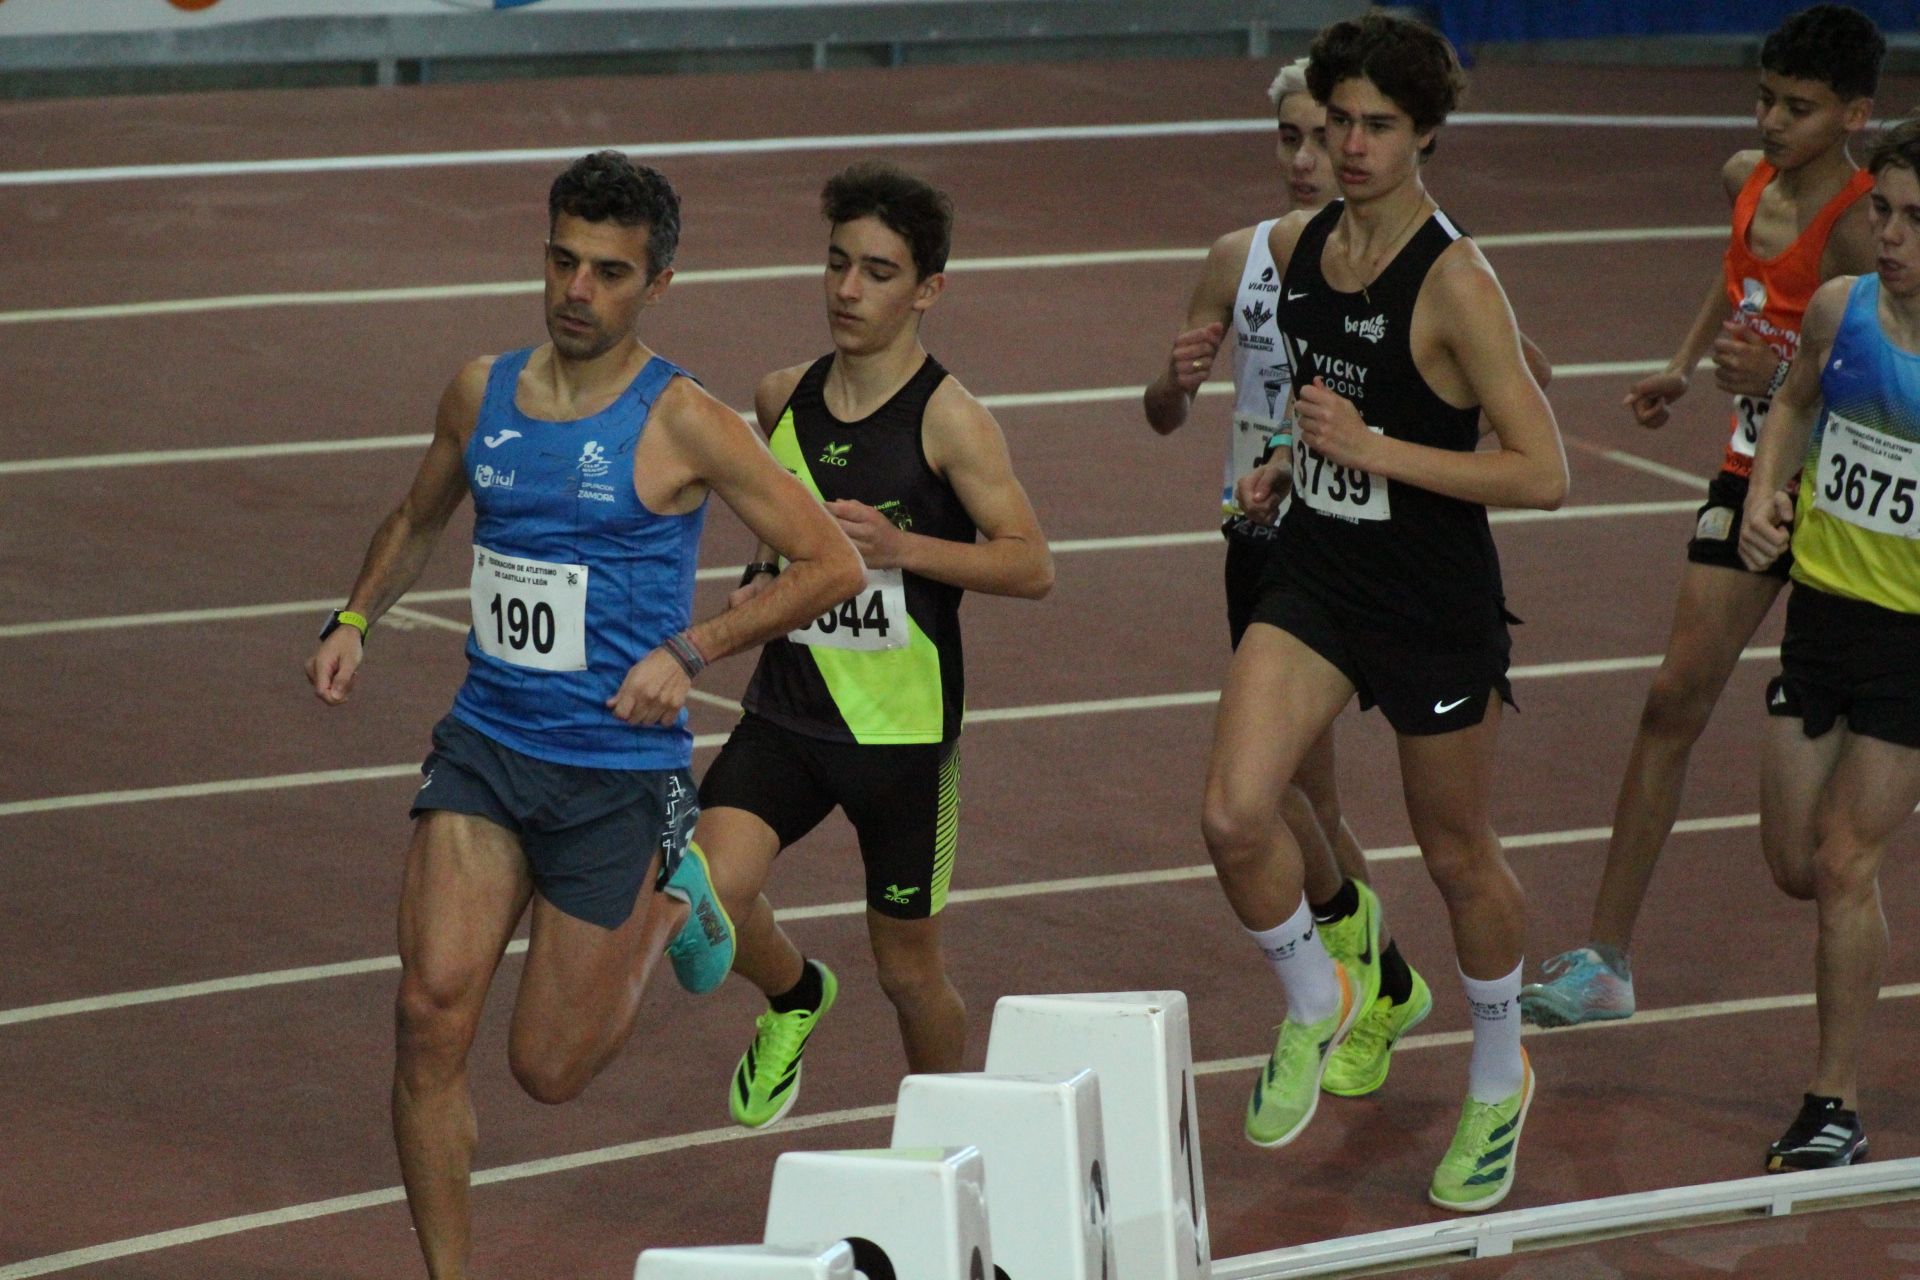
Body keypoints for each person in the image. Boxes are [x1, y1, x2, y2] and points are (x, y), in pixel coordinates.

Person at [303, 151, 864, 1279]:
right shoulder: (483, 390)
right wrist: (356, 616)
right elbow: (418, 516)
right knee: (427, 1012)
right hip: (488, 745)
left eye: (609, 272)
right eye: (563, 260)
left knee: (547, 1068)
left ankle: (675, 893)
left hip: (617, 772)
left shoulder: (689, 420)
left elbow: (830, 560)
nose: (576, 289)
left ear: (655, 283)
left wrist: (689, 647)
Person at [1205, 13, 1567, 1212]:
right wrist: (1289, 467)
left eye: (1377, 127)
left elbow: (1541, 470)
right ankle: (1325, 995)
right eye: (1337, 122)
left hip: (1430, 597)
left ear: (1426, 138)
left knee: (1458, 853)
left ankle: (1496, 1064)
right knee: (1233, 811)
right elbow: (1327, 407)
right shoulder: (1305, 246)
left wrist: (1380, 450)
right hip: (1318, 567)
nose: (1350, 146)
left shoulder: (1456, 278)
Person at [1522, 4, 1883, 1028]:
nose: (1772, 121)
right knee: (1671, 696)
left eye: (1799, 108)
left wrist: (1782, 372)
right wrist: (1686, 366)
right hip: (1746, 469)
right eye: (1765, 98)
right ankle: (1605, 959)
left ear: (1855, 112)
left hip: (1844, 496)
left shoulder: (1862, 224)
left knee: (1815, 830)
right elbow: (1736, 277)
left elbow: (1879, 369)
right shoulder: (1746, 180)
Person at [697, 161, 1053, 1129]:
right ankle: (793, 991)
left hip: (901, 740)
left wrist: (904, 548)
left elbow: (1031, 565)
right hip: (787, 712)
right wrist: (764, 566)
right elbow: (783, 514)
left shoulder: (951, 420)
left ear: (928, 289)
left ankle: (949, 1145)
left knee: (907, 968)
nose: (849, 290)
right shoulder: (781, 396)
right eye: (837, 264)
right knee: (700, 894)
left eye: (880, 272)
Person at [1142, 59, 1435, 1102]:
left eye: (1328, 136)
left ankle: (1369, 980)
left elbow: (1518, 373)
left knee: (1293, 800)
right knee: (1300, 798)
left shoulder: (1406, 261)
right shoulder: (1239, 257)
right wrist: (1170, 385)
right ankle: (1380, 977)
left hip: (1369, 544)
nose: (1311, 159)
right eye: (1293, 140)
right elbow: (1162, 410)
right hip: (1264, 542)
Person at [1737, 118, 1920, 1173]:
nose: (1888, 235)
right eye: (1881, 210)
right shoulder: (1845, 311)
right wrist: (1770, 492)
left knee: (1849, 858)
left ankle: (1833, 1099)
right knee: (1796, 861)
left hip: (1912, 644)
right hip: (1823, 619)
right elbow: (1795, 403)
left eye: (1912, 218)